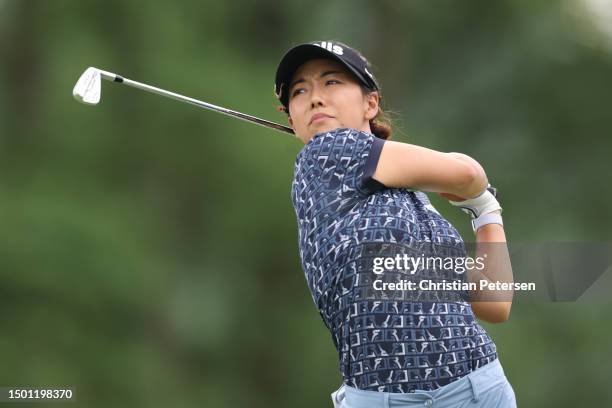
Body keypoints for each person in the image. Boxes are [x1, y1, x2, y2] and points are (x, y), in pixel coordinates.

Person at [274, 40, 517, 408]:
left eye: (332, 82)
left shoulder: (412, 202)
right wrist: (475, 190)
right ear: (290, 117)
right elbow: (467, 172)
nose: (316, 98)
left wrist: (485, 210)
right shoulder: (324, 156)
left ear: (370, 103)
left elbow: (493, 301)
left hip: (478, 390)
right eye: (299, 90)